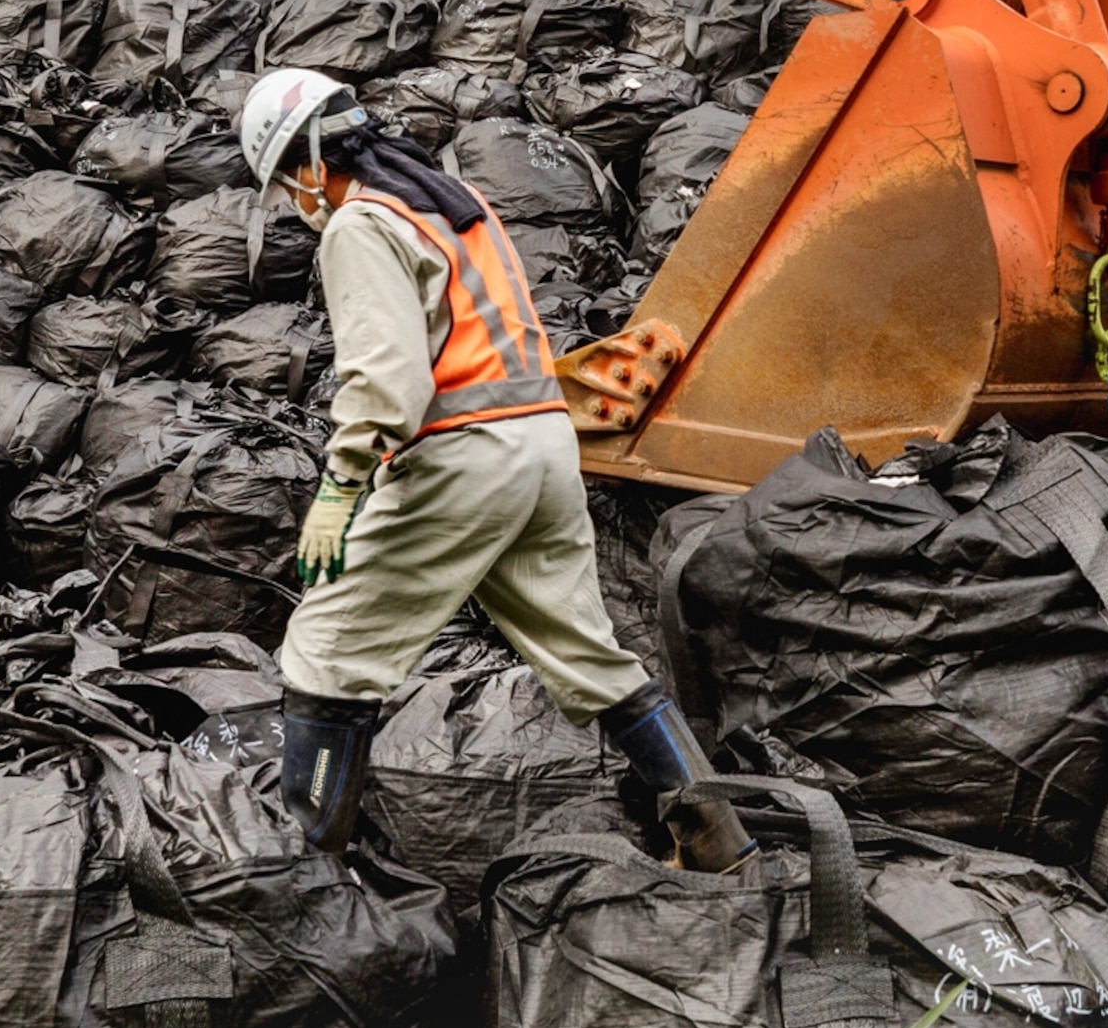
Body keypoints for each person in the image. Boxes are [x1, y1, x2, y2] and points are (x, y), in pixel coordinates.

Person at [238, 67, 755, 872]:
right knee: (584, 651)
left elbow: (389, 379)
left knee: (328, 648)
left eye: (282, 184)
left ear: (307, 161)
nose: (290, 202)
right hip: (543, 447)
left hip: (465, 455)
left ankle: (306, 872)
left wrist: (342, 483)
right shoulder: (454, 205)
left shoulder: (360, 225)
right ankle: (721, 841)